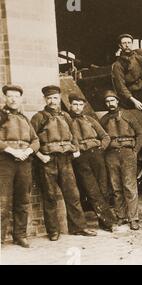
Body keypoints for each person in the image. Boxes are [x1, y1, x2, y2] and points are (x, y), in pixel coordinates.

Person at [31, 85, 97, 241]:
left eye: (55, 98)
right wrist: (40, 156)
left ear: (59, 98)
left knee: (73, 194)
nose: (52, 101)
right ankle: (53, 231)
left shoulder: (66, 117)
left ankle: (78, 228)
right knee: (50, 196)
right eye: (49, 98)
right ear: (45, 100)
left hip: (65, 160)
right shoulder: (38, 117)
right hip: (48, 161)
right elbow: (31, 140)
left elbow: (73, 135)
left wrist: (75, 148)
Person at [68, 92, 117, 232]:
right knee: (91, 189)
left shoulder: (89, 119)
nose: (77, 107)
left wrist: (101, 148)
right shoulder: (67, 120)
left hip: (97, 155)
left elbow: (105, 136)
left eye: (80, 105)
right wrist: (76, 151)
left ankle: (103, 221)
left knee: (103, 187)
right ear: (70, 105)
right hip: (80, 157)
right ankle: (109, 222)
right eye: (75, 105)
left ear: (83, 106)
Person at [0, 84, 40, 247]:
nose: (13, 99)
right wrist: (11, 150)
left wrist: (29, 151)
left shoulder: (25, 119)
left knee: (23, 200)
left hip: (24, 162)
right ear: (5, 98)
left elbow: (36, 140)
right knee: (3, 200)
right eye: (10, 96)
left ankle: (20, 235)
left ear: (21, 99)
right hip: (5, 162)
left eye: (16, 96)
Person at [100, 90, 142, 230]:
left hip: (127, 153)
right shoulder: (104, 119)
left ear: (117, 101)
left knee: (129, 186)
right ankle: (121, 216)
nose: (110, 104)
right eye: (107, 102)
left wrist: (135, 151)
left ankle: (133, 218)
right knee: (116, 187)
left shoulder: (128, 115)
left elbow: (140, 134)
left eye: (112, 101)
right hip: (111, 154)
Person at [112, 33, 142, 110]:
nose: (127, 45)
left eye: (129, 43)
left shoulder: (139, 53)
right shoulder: (118, 65)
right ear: (120, 45)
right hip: (136, 94)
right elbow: (121, 87)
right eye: (124, 43)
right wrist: (134, 101)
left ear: (132, 44)